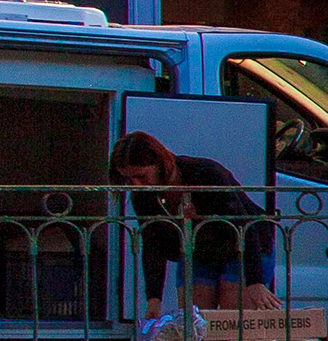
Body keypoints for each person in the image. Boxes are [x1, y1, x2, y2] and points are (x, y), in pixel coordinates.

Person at [111, 129, 275, 311]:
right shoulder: (142, 195)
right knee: (195, 321)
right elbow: (152, 244)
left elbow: (243, 225)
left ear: (159, 163)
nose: (137, 185)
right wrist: (153, 298)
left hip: (243, 247)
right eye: (128, 179)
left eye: (141, 176)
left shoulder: (205, 173)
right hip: (198, 251)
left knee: (233, 321)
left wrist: (255, 281)